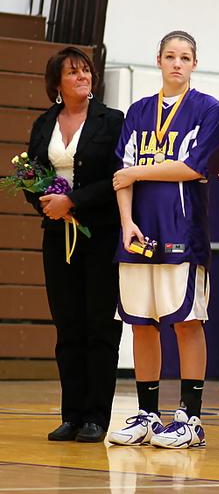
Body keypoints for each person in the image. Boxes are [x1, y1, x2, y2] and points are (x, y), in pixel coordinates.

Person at [107, 30, 219, 449]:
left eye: (185, 57)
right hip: (139, 233)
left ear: (194, 64)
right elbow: (121, 175)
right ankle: (147, 415)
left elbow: (193, 167)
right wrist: (126, 223)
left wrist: (139, 171)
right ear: (158, 60)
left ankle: (191, 419)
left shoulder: (206, 108)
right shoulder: (138, 111)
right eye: (170, 56)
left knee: (187, 321)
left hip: (182, 231)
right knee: (141, 323)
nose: (177, 63)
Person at [23, 47, 124, 443]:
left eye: (86, 71)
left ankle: (96, 416)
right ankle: (72, 415)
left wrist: (74, 201)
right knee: (67, 326)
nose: (83, 77)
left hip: (100, 236)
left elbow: (118, 178)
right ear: (57, 83)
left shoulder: (111, 121)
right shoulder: (44, 122)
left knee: (100, 326)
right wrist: (46, 204)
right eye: (73, 72)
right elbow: (30, 174)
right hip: (57, 236)